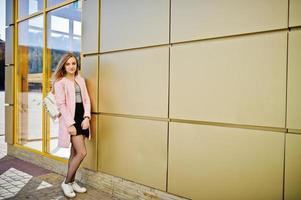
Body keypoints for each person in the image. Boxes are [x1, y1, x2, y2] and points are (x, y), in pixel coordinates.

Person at [53, 53, 91, 198]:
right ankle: (66, 182)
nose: (71, 66)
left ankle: (72, 182)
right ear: (63, 66)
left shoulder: (80, 80)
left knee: (74, 153)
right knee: (82, 153)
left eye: (73, 63)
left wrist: (87, 117)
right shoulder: (60, 83)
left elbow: (86, 99)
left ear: (77, 65)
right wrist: (71, 124)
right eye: (68, 64)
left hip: (82, 117)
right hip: (71, 119)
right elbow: (61, 105)